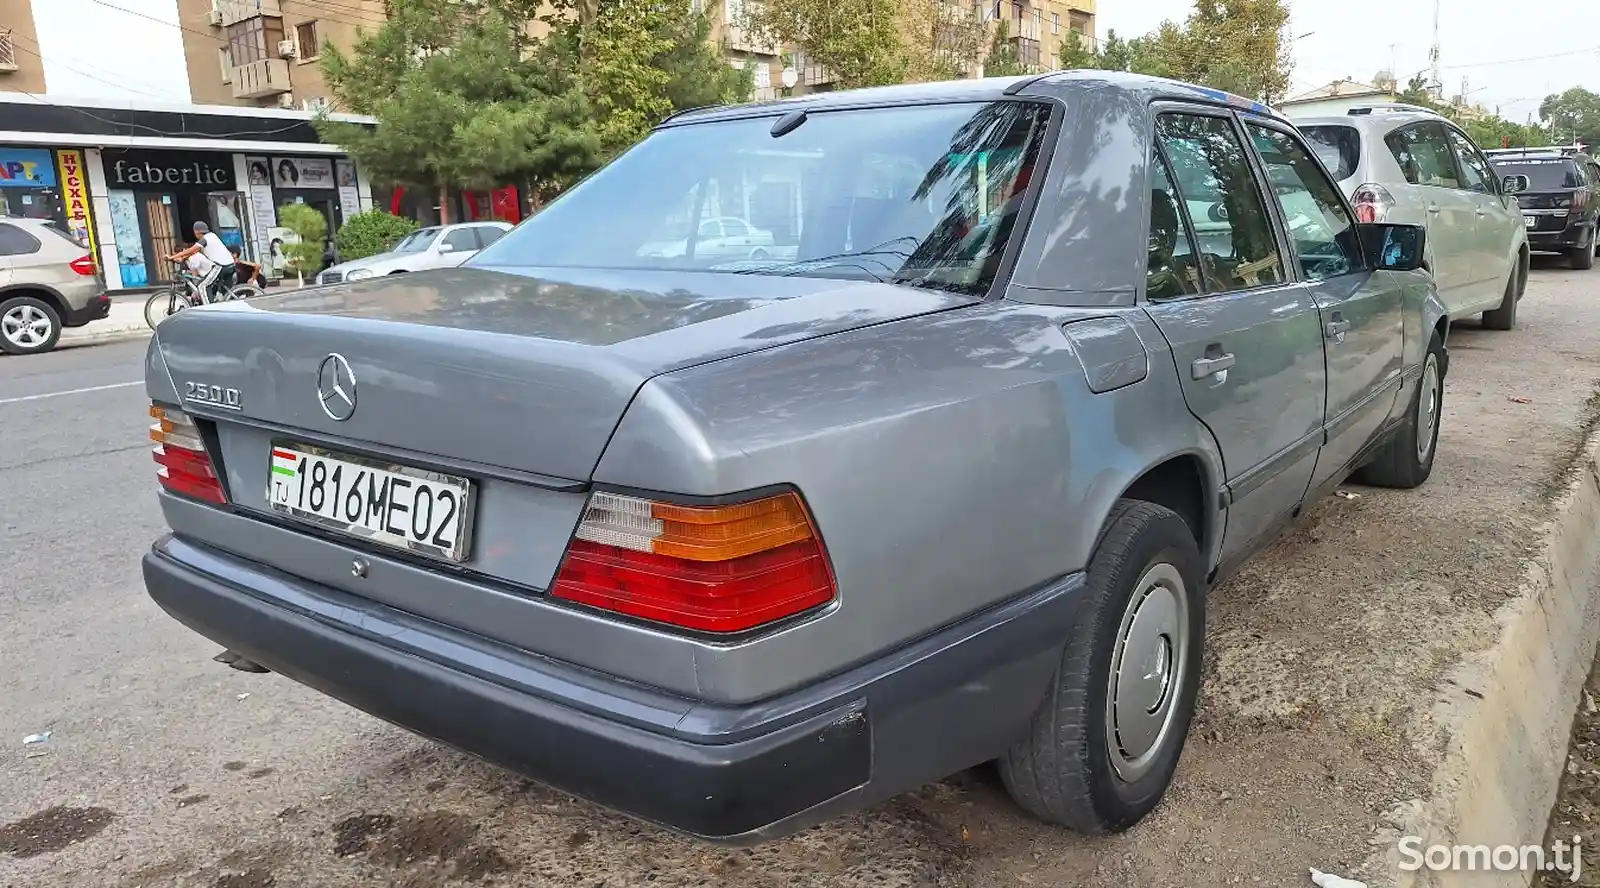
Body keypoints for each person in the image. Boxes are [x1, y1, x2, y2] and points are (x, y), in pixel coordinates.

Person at [166, 221, 237, 302]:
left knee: (202, 286)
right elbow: (194, 252)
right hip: (230, 264)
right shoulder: (212, 236)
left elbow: (191, 250)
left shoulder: (205, 239)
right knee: (216, 288)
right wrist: (182, 258)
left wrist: (172, 256)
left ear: (196, 231)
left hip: (221, 266)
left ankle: (209, 308)